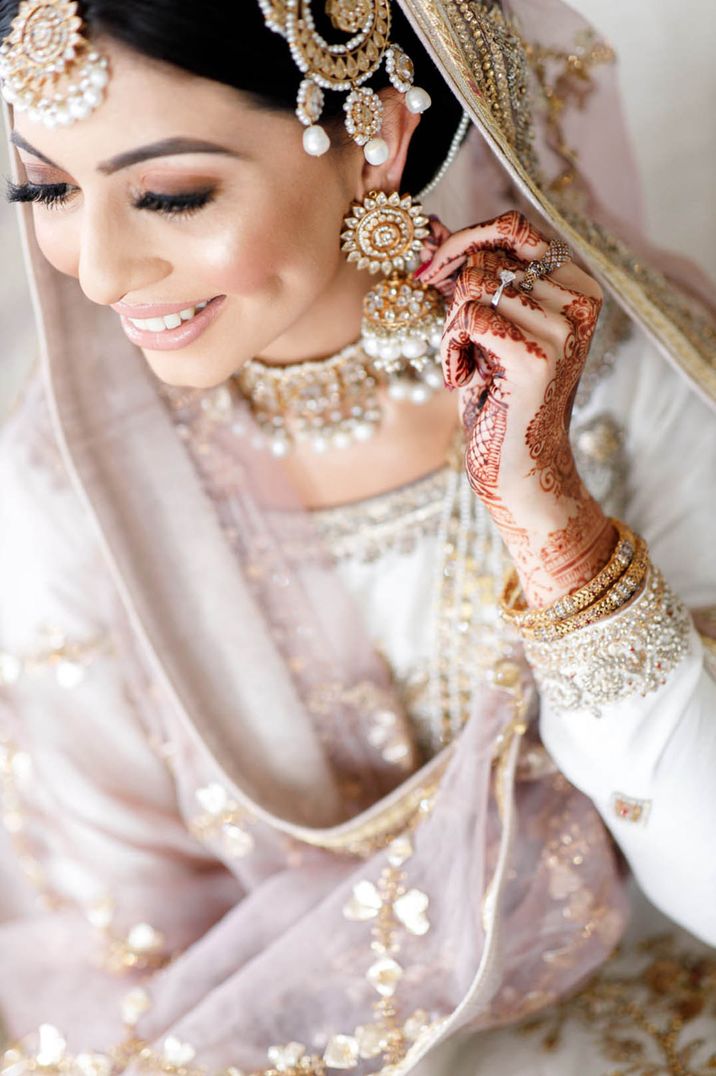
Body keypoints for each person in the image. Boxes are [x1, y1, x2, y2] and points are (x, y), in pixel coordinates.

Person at [0, 1, 714, 1073]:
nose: (97, 271)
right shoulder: (72, 475)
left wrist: (550, 521)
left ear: (376, 137)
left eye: (170, 194)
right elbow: (121, 915)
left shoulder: (606, 388)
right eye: (44, 186)